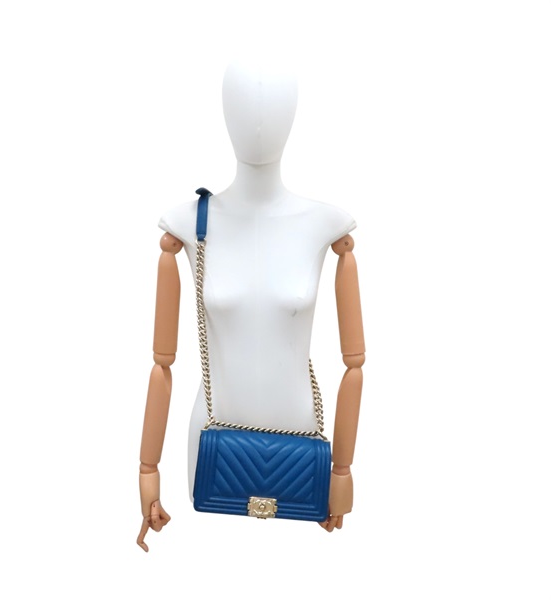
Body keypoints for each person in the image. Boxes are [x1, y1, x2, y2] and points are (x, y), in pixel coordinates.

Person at [137, 58, 365, 551]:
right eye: (245, 102)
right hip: (211, 444)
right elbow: (161, 364)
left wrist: (342, 473)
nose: (259, 119)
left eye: (273, 103)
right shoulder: (187, 224)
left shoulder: (325, 224)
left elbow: (354, 366)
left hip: (303, 448)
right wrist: (148, 471)